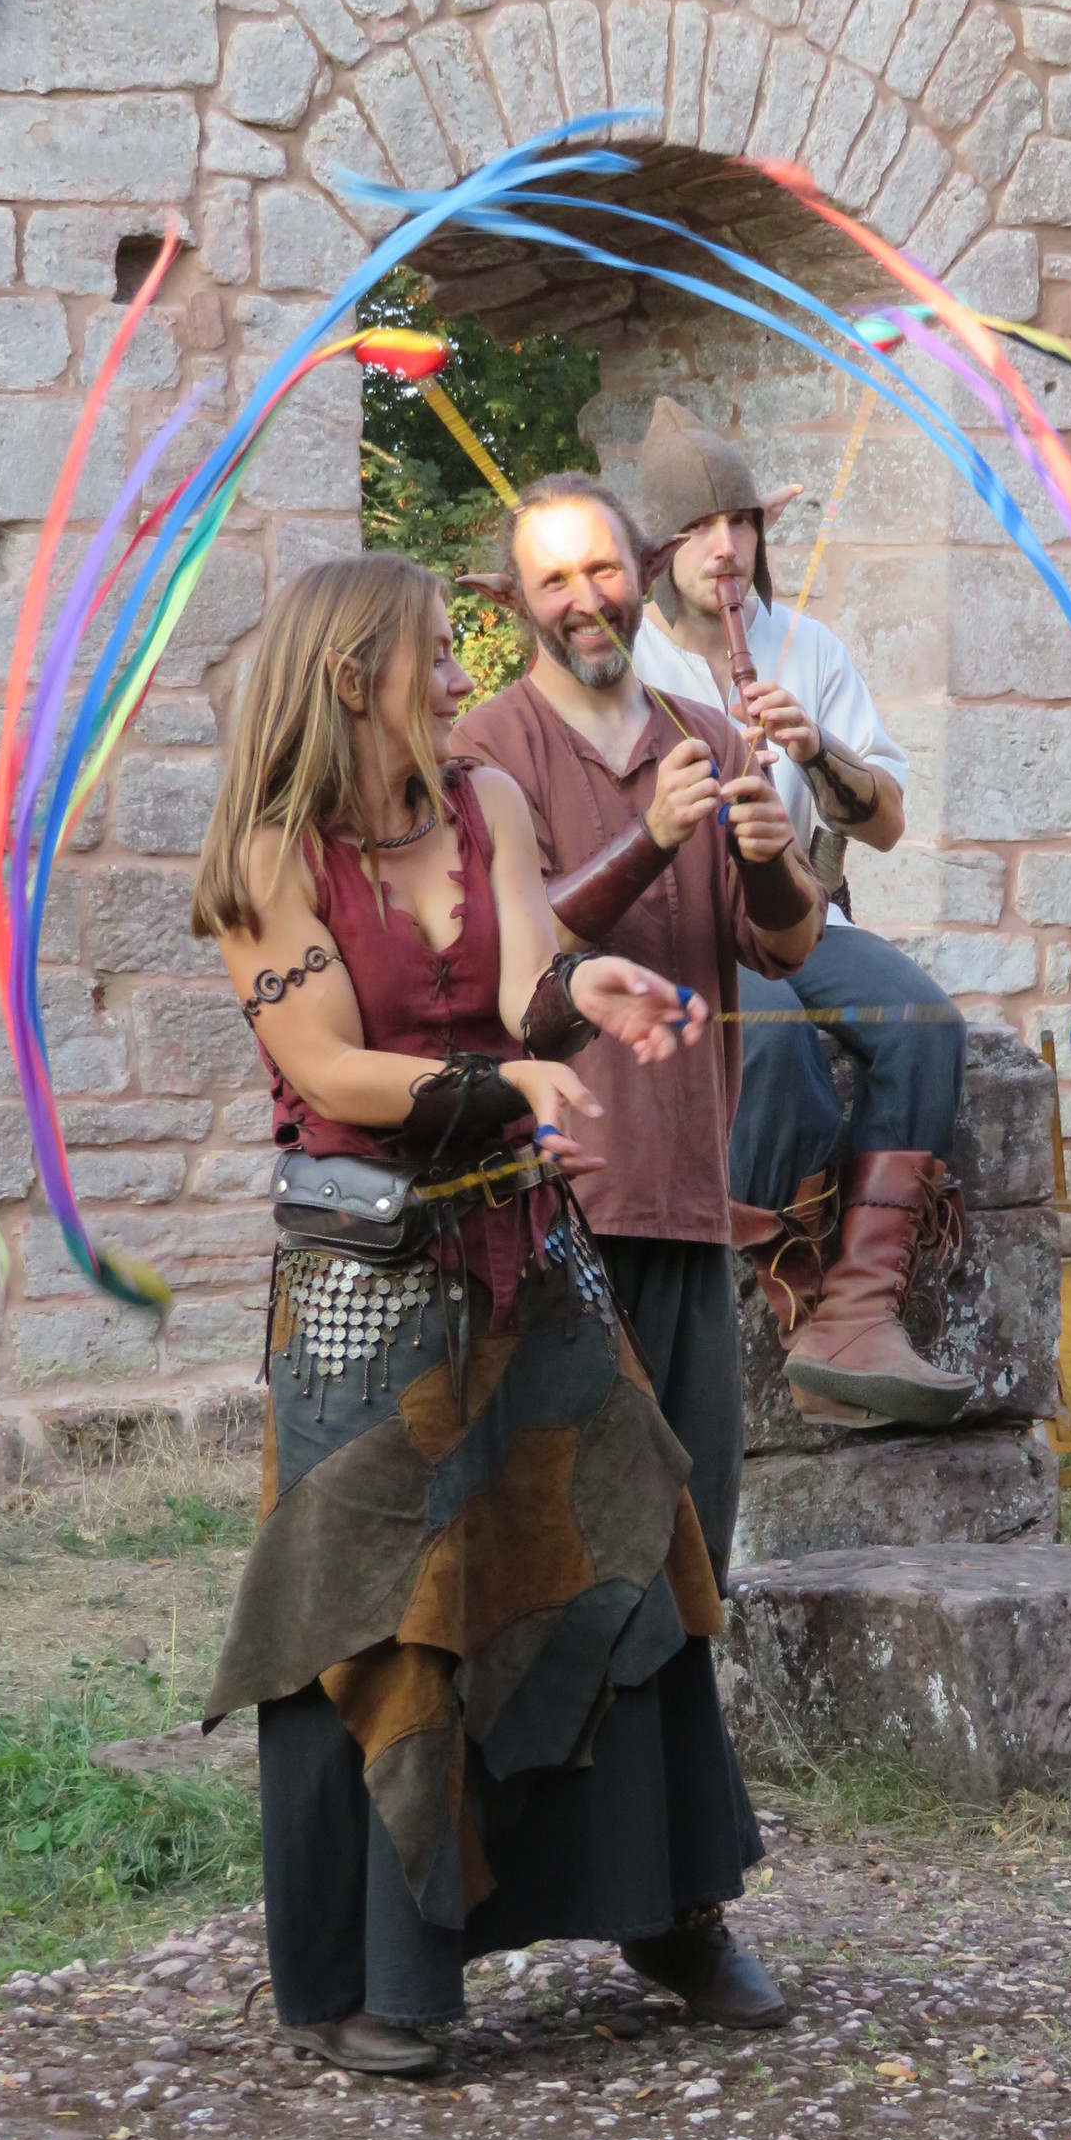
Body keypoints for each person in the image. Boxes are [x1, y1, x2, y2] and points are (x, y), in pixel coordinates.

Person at [194, 552, 767, 2077]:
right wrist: (506, 1085)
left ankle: (671, 1913)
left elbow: (527, 981)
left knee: (630, 1544)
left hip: (529, 1256)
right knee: (372, 1613)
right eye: (438, 654)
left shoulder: (485, 805)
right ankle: (366, 1979)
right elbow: (330, 1069)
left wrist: (592, 996)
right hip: (364, 1293)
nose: (463, 678)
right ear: (350, 676)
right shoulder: (264, 860)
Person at [454, 472, 823, 2019]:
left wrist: (762, 844)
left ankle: (677, 1912)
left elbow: (785, 940)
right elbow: (516, 961)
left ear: (641, 570)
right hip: (543, 1218)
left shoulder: (707, 733)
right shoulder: (486, 752)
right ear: (513, 602)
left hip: (685, 1201)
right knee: (547, 1564)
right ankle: (472, 1907)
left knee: (686, 1563)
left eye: (603, 567)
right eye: (553, 579)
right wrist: (652, 841)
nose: (586, 598)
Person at [630, 398, 972, 1429]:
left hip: (800, 912)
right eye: (699, 529)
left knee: (926, 1025)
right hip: (677, 929)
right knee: (769, 1041)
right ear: (659, 551)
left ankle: (864, 1306)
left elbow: (888, 826)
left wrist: (817, 750)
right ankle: (807, 1305)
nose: (726, 549)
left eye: (741, 523)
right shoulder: (625, 660)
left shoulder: (805, 646)